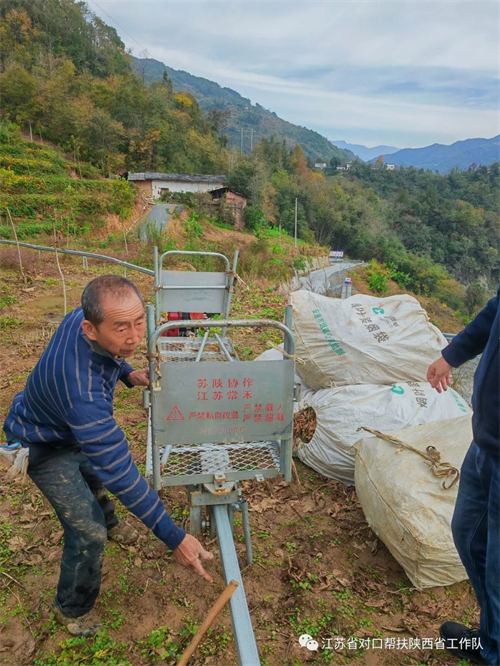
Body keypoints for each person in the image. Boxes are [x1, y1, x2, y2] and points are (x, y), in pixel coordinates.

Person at [3, 275, 213, 637]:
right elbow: (121, 473)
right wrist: (173, 536)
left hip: (65, 424)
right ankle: (71, 608)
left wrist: (128, 373)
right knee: (88, 532)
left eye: (138, 322)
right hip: (42, 443)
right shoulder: (83, 396)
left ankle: (113, 524)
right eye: (121, 328)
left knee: (94, 477)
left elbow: (108, 352)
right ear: (91, 327)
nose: (134, 337)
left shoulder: (81, 318)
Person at [427, 287, 499, 666]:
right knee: (469, 536)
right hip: (487, 439)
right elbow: (497, 309)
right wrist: (453, 354)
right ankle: (492, 641)